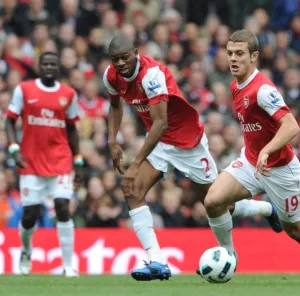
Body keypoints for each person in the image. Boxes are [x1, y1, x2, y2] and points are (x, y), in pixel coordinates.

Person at [103, 36, 282, 281]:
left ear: (135, 53)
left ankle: (265, 208)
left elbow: (160, 123)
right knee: (131, 189)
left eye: (125, 57)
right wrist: (112, 140)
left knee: (216, 203)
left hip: (187, 141)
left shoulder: (152, 75)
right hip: (159, 143)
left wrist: (134, 164)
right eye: (115, 60)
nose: (121, 63)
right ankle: (157, 262)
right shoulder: (110, 75)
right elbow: (115, 106)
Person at [203, 29, 300, 265]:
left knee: (294, 231)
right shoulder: (236, 85)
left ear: (253, 56)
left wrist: (267, 150)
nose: (233, 59)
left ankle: (273, 211)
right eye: (229, 53)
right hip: (251, 161)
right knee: (213, 201)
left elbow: (291, 126)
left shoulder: (263, 90)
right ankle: (229, 256)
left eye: (239, 53)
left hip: (279, 169)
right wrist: (258, 153)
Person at [5, 52, 83, 277]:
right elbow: (9, 120)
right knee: (30, 214)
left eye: (53, 64)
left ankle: (68, 265)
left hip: (59, 160)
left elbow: (72, 129)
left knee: (62, 207)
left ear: (58, 68)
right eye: (45, 64)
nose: (49, 67)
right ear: (39, 66)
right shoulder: (25, 90)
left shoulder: (68, 94)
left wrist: (77, 162)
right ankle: (26, 251)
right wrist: (13, 149)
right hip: (30, 162)